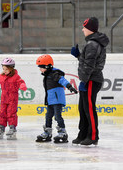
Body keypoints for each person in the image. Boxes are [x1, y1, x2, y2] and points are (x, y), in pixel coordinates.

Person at [71, 17, 109, 146]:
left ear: (90, 29)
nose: (82, 30)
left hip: (91, 80)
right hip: (89, 79)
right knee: (83, 108)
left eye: (84, 28)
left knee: (89, 109)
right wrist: (78, 55)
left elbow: (90, 65)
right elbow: (88, 60)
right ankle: (83, 134)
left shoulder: (92, 44)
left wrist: (84, 81)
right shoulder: (92, 43)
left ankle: (93, 136)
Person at [35, 54, 78, 143]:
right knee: (48, 116)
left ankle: (63, 132)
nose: (40, 69)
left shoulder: (55, 74)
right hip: (50, 100)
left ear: (47, 66)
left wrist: (70, 87)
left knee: (58, 116)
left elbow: (63, 80)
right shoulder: (47, 75)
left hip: (57, 100)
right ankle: (47, 132)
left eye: (41, 67)